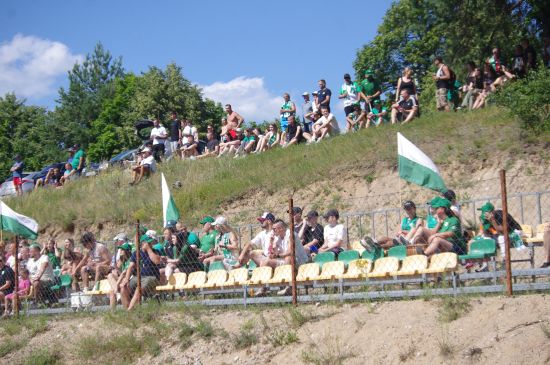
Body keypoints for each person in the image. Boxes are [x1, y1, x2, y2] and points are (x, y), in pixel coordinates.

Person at [260, 219, 309, 296]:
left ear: (281, 228)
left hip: (299, 261)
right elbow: (273, 253)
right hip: (286, 261)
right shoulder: (277, 238)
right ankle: (264, 288)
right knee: (265, 262)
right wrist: (271, 242)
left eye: (274, 229)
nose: (272, 231)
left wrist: (278, 255)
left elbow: (290, 252)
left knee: (288, 258)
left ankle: (289, 286)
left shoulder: (290, 234)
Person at [120, 234, 163, 310]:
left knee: (138, 288)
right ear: (142, 244)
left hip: (152, 277)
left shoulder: (155, 251)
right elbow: (130, 267)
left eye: (150, 243)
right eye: (148, 243)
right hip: (139, 277)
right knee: (123, 287)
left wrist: (149, 249)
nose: (151, 244)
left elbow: (156, 261)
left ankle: (129, 310)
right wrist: (126, 279)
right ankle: (127, 308)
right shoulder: (136, 253)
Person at [107, 240, 132, 309]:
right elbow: (119, 272)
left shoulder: (131, 259)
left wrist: (117, 284)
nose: (120, 252)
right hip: (123, 279)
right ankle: (112, 313)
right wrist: (115, 268)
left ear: (127, 251)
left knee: (114, 290)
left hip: (129, 280)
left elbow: (124, 274)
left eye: (122, 250)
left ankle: (116, 291)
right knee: (110, 275)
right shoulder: (122, 259)